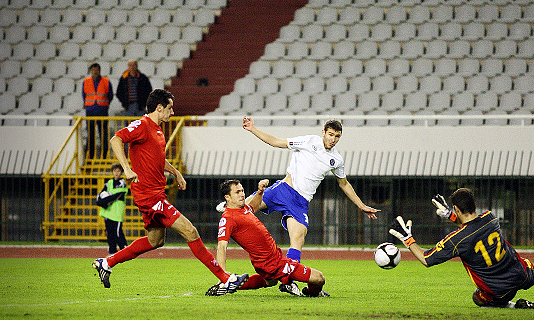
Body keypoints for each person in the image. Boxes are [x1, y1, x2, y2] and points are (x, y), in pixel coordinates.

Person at [93, 89, 247, 292]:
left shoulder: (157, 129)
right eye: (169, 108)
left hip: (156, 193)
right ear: (159, 108)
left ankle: (106, 263)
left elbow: (156, 157)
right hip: (149, 195)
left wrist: (176, 172)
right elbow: (115, 139)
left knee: (155, 240)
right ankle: (225, 278)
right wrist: (127, 168)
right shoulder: (142, 125)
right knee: (190, 230)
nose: (172, 112)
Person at [216, 117, 380, 295]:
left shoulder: (336, 160)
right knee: (246, 209)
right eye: (330, 134)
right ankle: (228, 207)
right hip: (284, 189)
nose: (333, 139)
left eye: (337, 136)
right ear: (323, 132)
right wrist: (253, 129)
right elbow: (277, 142)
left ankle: (288, 282)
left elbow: (344, 184)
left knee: (298, 237)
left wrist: (361, 205)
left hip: (301, 202)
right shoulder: (309, 141)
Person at [389, 188, 534, 309]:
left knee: (476, 297)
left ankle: (515, 305)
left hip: (497, 291)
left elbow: (427, 259)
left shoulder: (457, 239)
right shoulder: (490, 218)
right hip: (518, 273)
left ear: (456, 208)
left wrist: (408, 239)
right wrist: (451, 216)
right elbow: (470, 225)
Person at [206, 179, 329, 297]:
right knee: (319, 278)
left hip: (272, 259)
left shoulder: (243, 209)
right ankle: (314, 293)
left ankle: (234, 283)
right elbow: (221, 246)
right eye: (237, 192)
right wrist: (222, 275)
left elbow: (255, 204)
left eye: (242, 191)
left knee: (270, 281)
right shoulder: (227, 218)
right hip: (272, 263)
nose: (242, 194)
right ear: (227, 197)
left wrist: (260, 191)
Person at [96, 163, 128, 255]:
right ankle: (112, 251)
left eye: (118, 171)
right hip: (108, 212)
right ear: (112, 172)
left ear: (121, 172)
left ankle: (124, 250)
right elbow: (101, 194)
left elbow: (117, 196)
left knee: (118, 232)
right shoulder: (109, 183)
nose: (116, 173)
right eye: (115, 171)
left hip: (117, 212)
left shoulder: (122, 183)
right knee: (110, 233)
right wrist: (100, 202)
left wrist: (104, 202)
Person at [82, 62, 113, 159]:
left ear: (99, 71)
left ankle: (104, 156)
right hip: (90, 111)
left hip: (102, 111)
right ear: (91, 71)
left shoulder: (106, 81)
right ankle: (90, 157)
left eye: (96, 70)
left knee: (103, 135)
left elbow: (110, 95)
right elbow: (84, 95)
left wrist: (104, 105)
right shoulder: (86, 81)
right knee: (90, 135)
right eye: (93, 70)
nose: (95, 72)